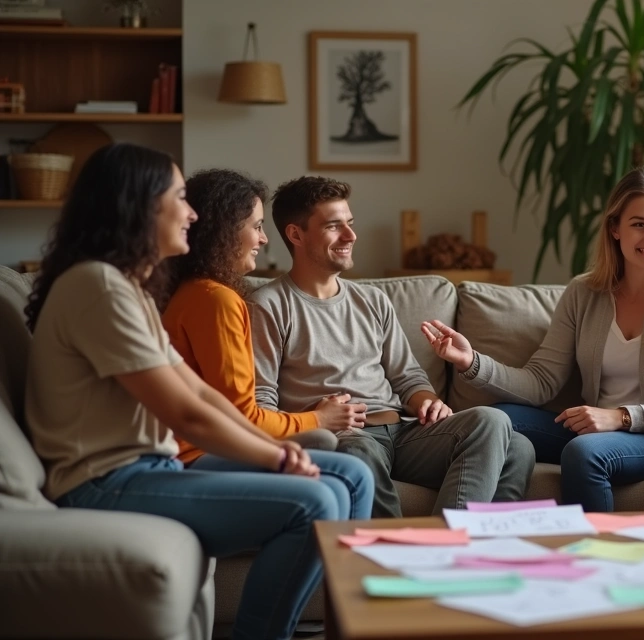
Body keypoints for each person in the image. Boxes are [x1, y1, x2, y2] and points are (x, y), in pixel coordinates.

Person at [24, 143, 360, 640]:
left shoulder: (128, 289)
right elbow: (186, 415)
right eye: (180, 196)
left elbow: (203, 397)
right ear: (139, 205)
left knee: (338, 481)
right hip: (104, 481)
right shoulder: (97, 287)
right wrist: (276, 458)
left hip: (144, 469)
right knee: (316, 501)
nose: (192, 212)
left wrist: (277, 449)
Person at [422, 167, 644, 512]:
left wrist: (620, 417)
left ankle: (596, 559)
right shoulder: (584, 293)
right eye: (639, 224)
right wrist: (471, 362)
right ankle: (481, 532)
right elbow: (541, 381)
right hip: (594, 427)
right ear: (615, 229)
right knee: (495, 421)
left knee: (584, 454)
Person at [248, 176, 535, 518]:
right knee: (357, 455)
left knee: (504, 433)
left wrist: (428, 402)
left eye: (350, 224)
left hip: (403, 431)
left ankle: (455, 546)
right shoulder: (267, 305)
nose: (351, 236)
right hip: (350, 435)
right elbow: (260, 403)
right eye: (334, 227)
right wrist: (315, 419)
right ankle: (403, 553)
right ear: (296, 234)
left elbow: (407, 376)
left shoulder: (372, 299)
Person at [160, 168, 372, 520]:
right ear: (225, 231)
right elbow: (247, 417)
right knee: (352, 475)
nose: (264, 240)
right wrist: (319, 418)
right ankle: (356, 571)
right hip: (193, 456)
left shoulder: (192, 291)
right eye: (256, 227)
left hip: (198, 449)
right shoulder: (215, 301)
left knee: (342, 477)